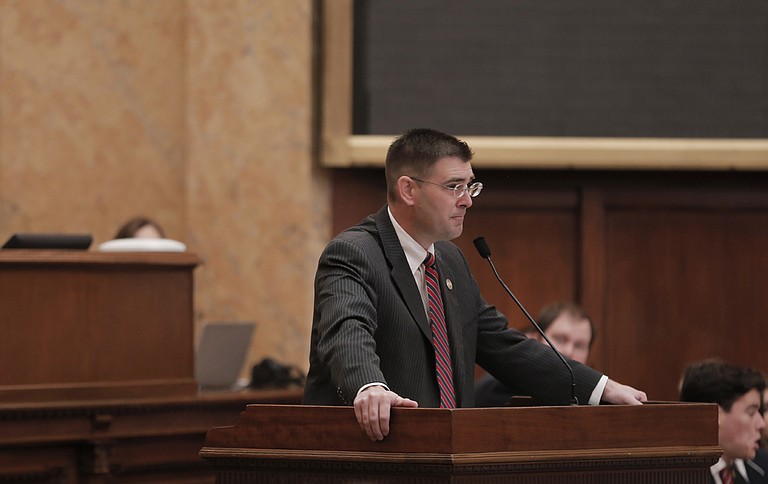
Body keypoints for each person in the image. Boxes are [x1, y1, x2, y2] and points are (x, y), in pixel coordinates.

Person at [302, 128, 647, 442]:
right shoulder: (353, 253)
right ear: (408, 189)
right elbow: (346, 331)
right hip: (369, 457)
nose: (467, 199)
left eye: (470, 187)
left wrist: (599, 387)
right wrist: (369, 385)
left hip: (447, 458)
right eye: (454, 187)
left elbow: (505, 347)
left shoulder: (450, 261)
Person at [474, 301, 596, 407]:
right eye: (560, 339)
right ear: (535, 339)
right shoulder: (493, 390)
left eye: (579, 345)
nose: (569, 351)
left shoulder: (591, 397)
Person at [680, 359, 768, 483]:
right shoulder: (674, 475)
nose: (761, 424)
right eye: (751, 412)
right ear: (716, 415)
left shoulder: (764, 465)